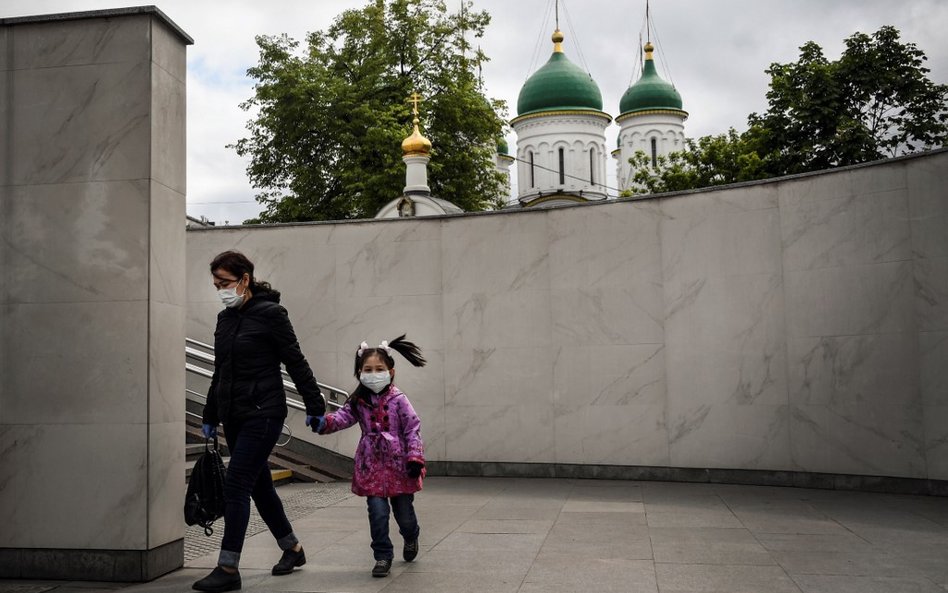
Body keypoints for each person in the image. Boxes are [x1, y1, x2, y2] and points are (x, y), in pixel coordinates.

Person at [194, 250, 326, 593]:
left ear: (245, 279)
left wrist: (314, 403)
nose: (220, 289)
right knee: (260, 486)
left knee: (236, 484)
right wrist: (210, 414)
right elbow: (220, 370)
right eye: (216, 284)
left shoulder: (271, 314)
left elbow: (295, 360)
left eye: (224, 282)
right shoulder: (225, 319)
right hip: (234, 416)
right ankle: (292, 548)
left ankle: (227, 567)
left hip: (264, 413)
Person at [313, 335, 426, 578]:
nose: (373, 374)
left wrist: (415, 457)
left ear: (391, 372)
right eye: (368, 370)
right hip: (371, 465)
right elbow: (342, 418)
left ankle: (411, 535)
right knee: (377, 512)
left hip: (400, 466)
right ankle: (383, 555)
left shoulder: (399, 400)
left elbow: (412, 429)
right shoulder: (358, 402)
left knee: (404, 514)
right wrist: (323, 423)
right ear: (359, 372)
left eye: (379, 369)